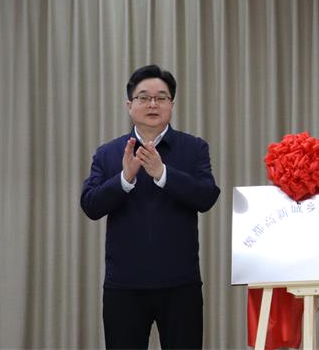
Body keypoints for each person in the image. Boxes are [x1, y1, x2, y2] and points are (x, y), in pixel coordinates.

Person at [81, 65, 220, 349]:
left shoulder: (194, 148)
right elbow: (91, 206)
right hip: (124, 285)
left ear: (171, 104)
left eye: (161, 97)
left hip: (181, 283)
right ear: (129, 105)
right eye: (144, 97)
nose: (153, 104)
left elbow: (207, 197)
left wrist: (163, 173)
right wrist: (124, 178)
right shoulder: (108, 153)